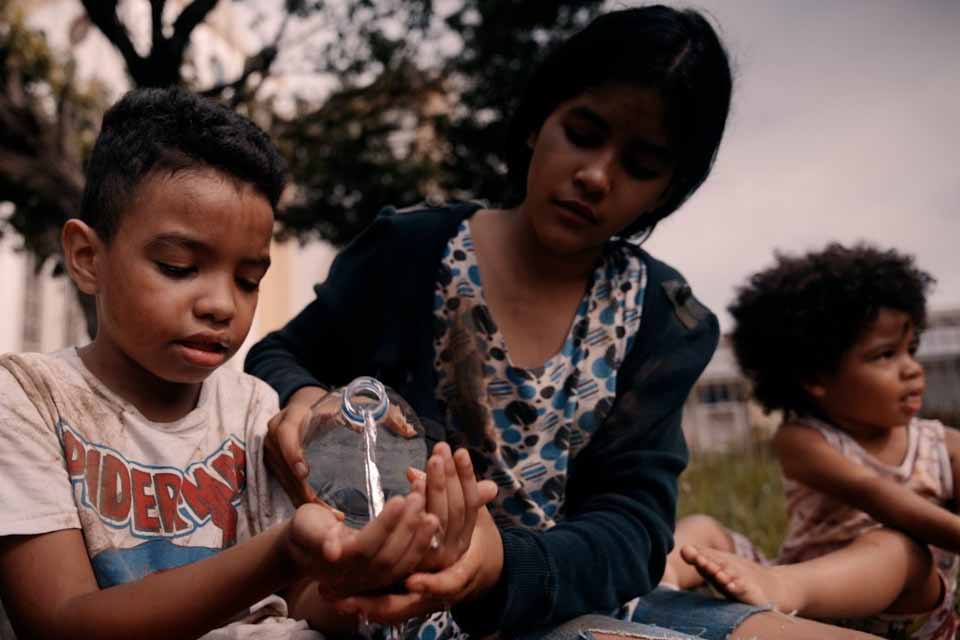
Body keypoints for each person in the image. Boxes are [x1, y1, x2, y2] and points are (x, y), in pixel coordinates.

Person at [246, 6, 878, 640]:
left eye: (641, 165)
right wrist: (307, 400)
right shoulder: (408, 252)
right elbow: (278, 356)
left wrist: (497, 564)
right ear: (537, 122)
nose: (597, 176)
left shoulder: (662, 316)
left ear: (668, 190)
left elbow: (633, 527)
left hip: (575, 609)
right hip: (393, 606)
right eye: (582, 132)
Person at [0, 86, 454, 640]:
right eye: (178, 266)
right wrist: (282, 553)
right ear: (88, 258)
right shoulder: (27, 399)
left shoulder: (253, 407)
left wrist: (370, 565)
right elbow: (60, 622)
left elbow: (304, 601)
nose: (221, 305)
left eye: (247, 280)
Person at [666, 244, 960, 640]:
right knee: (702, 528)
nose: (911, 369)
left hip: (902, 614)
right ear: (816, 378)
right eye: (885, 355)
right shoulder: (804, 439)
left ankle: (776, 588)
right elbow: (875, 494)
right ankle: (655, 584)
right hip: (793, 588)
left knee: (900, 548)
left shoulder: (943, 445)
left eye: (911, 350)